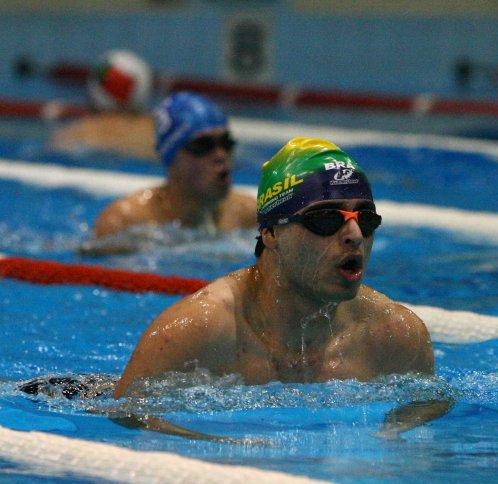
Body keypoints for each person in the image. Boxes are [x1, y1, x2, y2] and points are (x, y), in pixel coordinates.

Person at [113, 137, 452, 435]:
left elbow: (428, 408)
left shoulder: (397, 337)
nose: (354, 235)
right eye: (326, 220)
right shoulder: (198, 331)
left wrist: (391, 436)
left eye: (365, 219)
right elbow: (127, 415)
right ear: (271, 233)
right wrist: (226, 449)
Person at [77, 92, 257, 255]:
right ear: (171, 157)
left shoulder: (248, 215)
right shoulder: (124, 222)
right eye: (202, 146)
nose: (220, 155)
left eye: (226, 143)